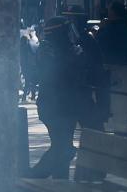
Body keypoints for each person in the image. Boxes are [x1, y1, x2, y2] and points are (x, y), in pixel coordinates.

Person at [25, 16, 92, 179]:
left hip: (66, 106)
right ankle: (32, 178)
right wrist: (75, 58)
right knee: (64, 149)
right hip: (55, 106)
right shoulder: (48, 49)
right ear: (59, 32)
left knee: (62, 146)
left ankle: (58, 185)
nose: (71, 35)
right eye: (68, 31)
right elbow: (59, 74)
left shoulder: (65, 48)